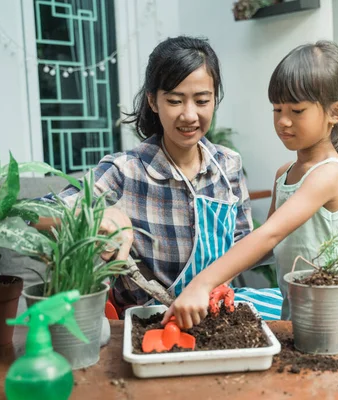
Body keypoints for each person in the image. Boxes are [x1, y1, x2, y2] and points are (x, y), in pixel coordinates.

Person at [36, 36, 282, 319]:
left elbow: (243, 244)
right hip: (152, 320)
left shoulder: (228, 166)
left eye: (202, 100)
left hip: (214, 313)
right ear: (153, 101)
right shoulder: (126, 171)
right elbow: (33, 215)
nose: (190, 115)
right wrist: (99, 217)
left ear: (215, 99)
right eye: (175, 101)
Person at [164, 40, 338, 329]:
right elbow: (269, 246)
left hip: (334, 318)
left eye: (297, 111)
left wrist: (202, 283)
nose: (283, 121)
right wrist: (222, 277)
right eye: (277, 109)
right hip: (297, 311)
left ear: (336, 112)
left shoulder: (329, 175)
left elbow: (269, 234)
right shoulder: (285, 173)